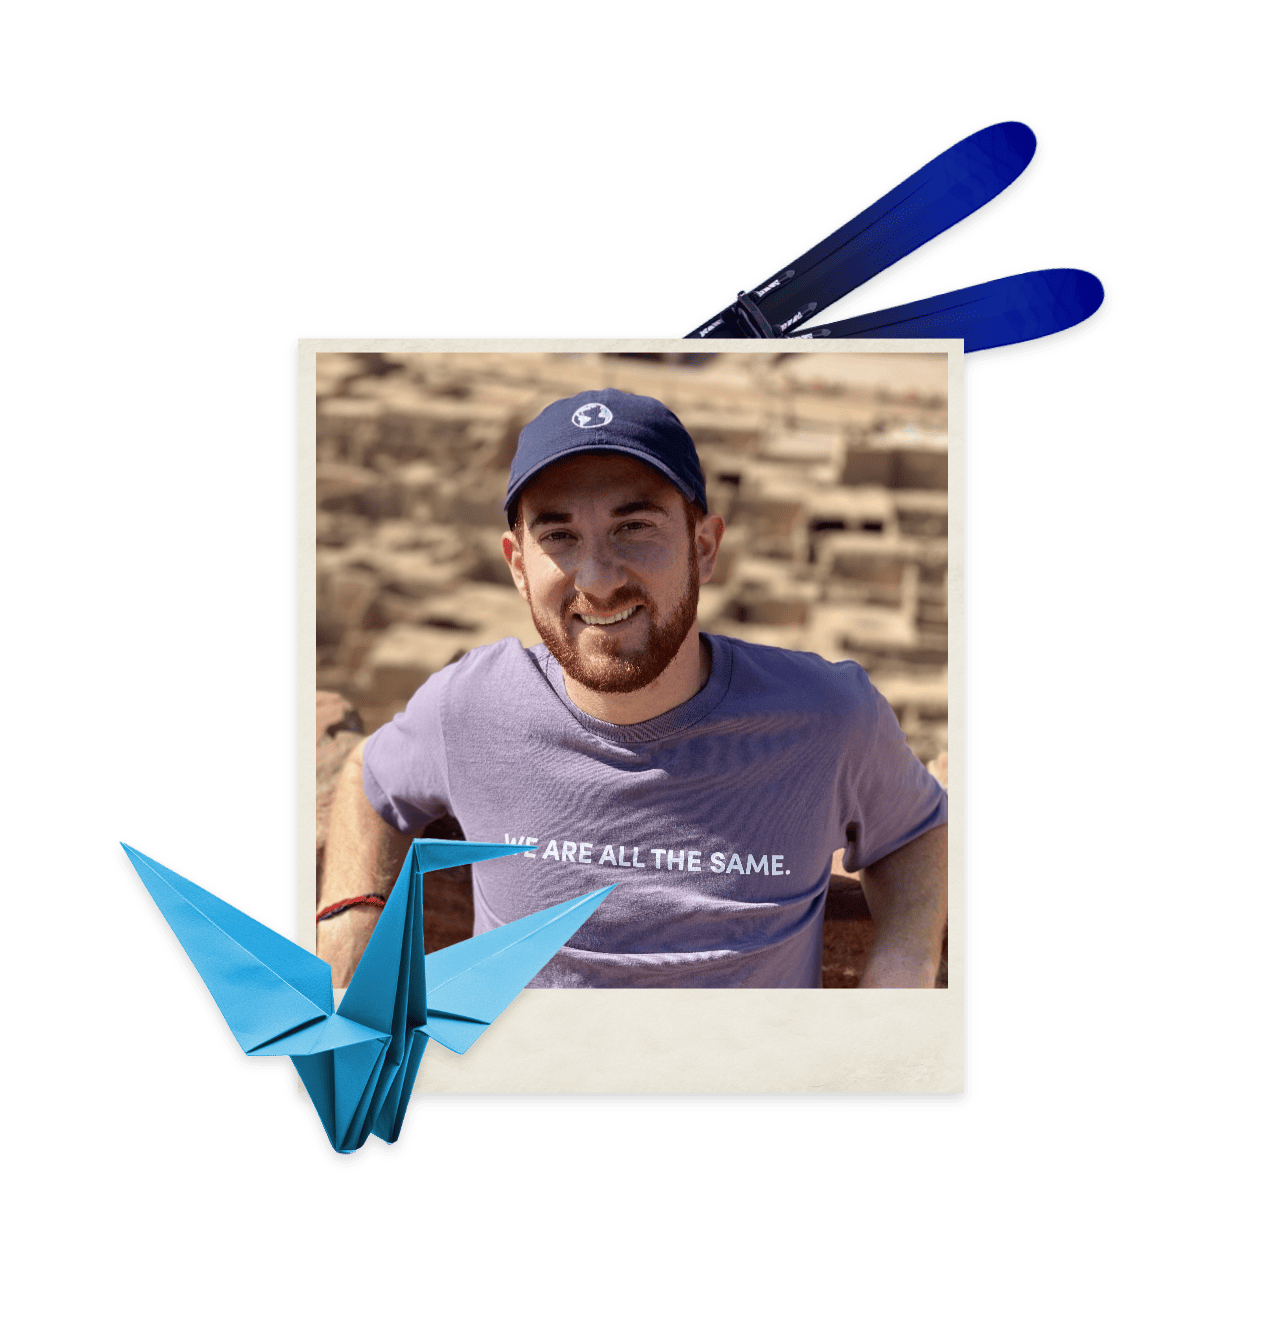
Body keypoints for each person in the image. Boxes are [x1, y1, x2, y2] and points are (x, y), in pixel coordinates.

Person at [318, 388, 948, 989]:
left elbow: (919, 830)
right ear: (517, 565)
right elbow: (367, 779)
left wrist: (904, 966)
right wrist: (351, 929)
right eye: (559, 536)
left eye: (634, 527)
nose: (597, 580)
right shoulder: (467, 708)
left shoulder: (827, 716)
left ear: (703, 547)